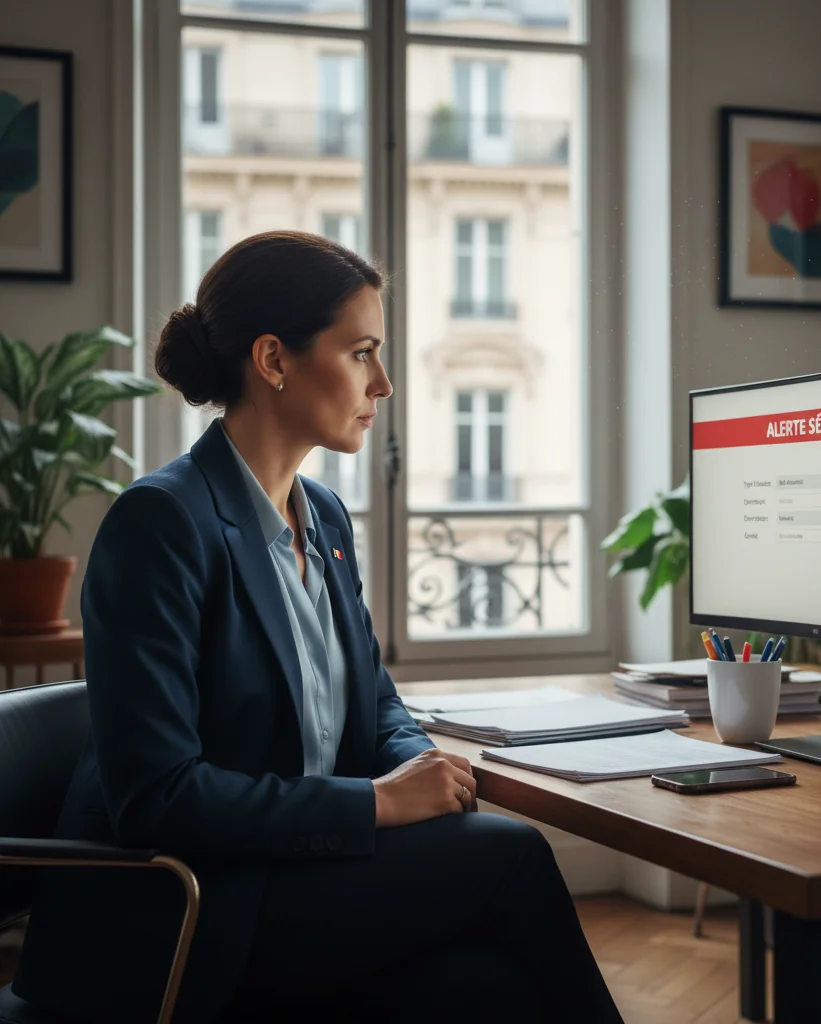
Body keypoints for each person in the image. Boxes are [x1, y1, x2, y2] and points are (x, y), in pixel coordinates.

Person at [12, 231, 624, 1024]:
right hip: (180, 909)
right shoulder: (161, 522)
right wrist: (378, 805)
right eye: (362, 352)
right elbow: (158, 798)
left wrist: (421, 769)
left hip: (285, 881)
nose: (386, 383)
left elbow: (374, 704)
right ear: (273, 360)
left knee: (484, 988)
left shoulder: (325, 516)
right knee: (510, 858)